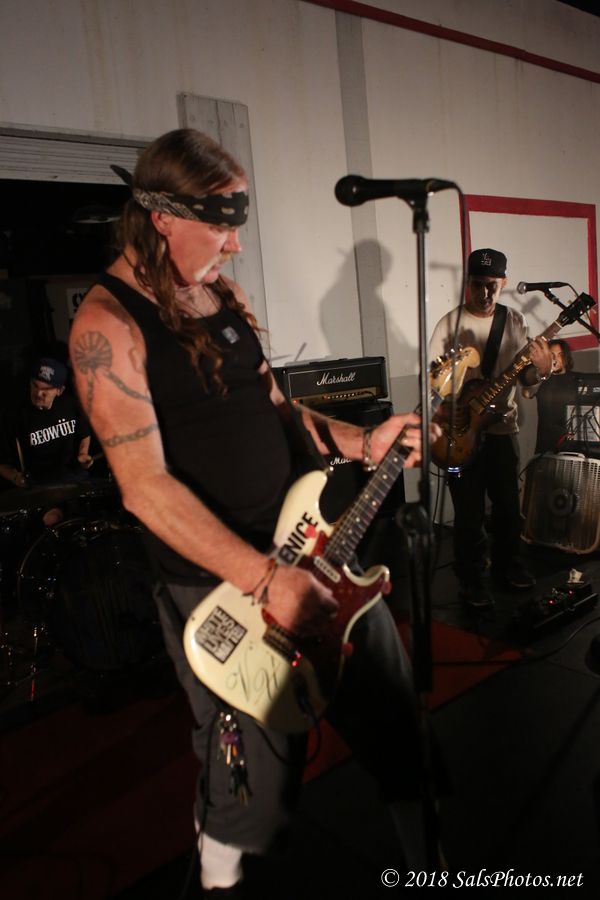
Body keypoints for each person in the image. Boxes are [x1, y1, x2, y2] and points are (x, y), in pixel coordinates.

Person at [68, 129, 444, 896]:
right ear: (163, 216)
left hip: (312, 546)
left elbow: (278, 409)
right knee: (252, 790)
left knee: (397, 723)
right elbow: (144, 487)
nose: (236, 244)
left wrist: (363, 439)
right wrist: (266, 580)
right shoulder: (106, 325)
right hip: (219, 585)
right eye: (222, 224)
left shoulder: (222, 297)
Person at [429, 248, 553, 610]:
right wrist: (447, 409)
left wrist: (542, 370)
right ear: (468, 283)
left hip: (502, 429)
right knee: (468, 513)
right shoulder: (448, 325)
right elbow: (432, 384)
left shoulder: (514, 321)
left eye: (493, 286)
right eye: (478, 285)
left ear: (504, 283)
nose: (485, 293)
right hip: (461, 434)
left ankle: (508, 567)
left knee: (508, 507)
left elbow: (525, 379)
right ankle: (471, 581)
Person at [0, 356, 93, 526]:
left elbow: (84, 434)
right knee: (52, 519)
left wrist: (83, 453)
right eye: (35, 386)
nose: (38, 394)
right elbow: (2, 464)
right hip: (40, 487)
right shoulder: (15, 416)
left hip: (74, 479)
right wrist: (14, 477)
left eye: (46, 390)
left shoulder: (70, 405)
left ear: (59, 390)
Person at [523, 339, 577, 454]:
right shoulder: (541, 379)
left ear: (566, 357)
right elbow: (526, 393)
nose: (555, 359)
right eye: (551, 355)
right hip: (545, 445)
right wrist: (543, 372)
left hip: (572, 446)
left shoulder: (576, 379)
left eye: (560, 355)